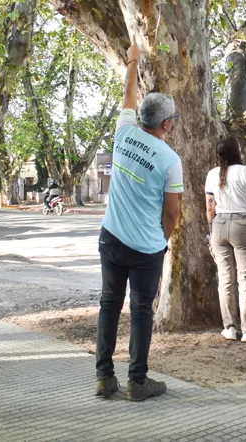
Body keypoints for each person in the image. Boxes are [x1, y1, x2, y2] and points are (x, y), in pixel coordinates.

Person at [95, 37, 183, 402]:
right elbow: (173, 212)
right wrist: (160, 240)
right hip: (146, 247)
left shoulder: (123, 132)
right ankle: (138, 381)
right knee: (141, 310)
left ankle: (103, 377)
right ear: (166, 124)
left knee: (109, 304)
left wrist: (132, 60)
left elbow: (129, 92)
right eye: (173, 119)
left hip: (111, 237)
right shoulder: (169, 159)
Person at [205, 136, 246, 342]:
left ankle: (229, 327)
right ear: (237, 151)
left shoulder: (212, 174)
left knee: (225, 280)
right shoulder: (245, 171)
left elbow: (209, 207)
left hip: (219, 226)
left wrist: (213, 229)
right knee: (245, 279)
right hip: (242, 224)